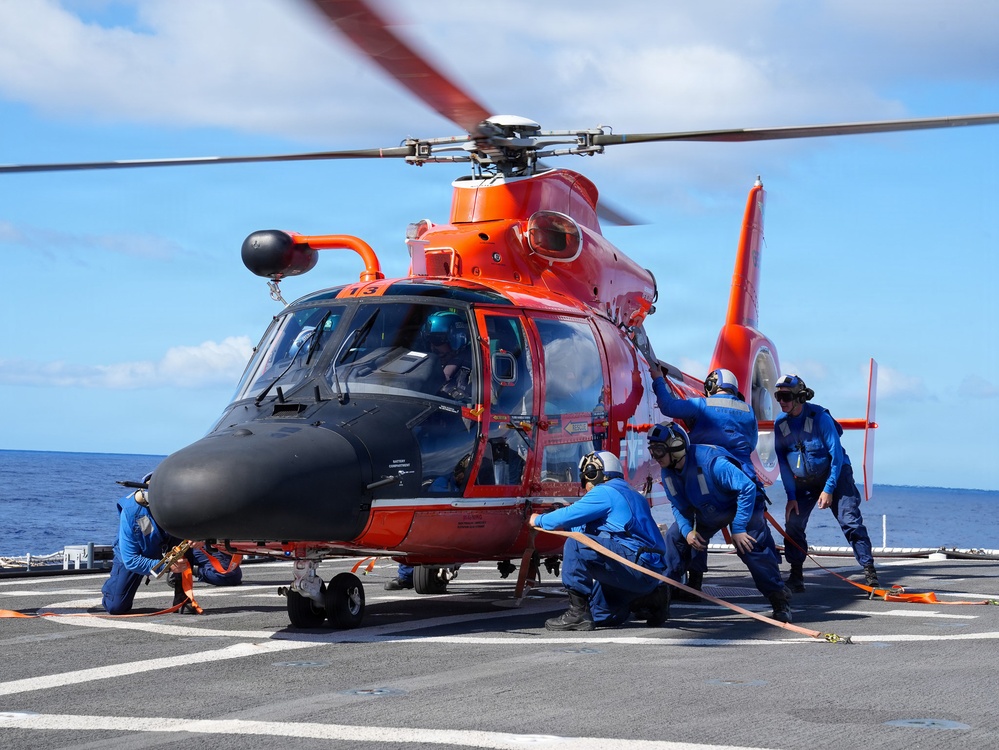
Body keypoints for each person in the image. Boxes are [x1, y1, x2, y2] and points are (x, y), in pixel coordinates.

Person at [649, 422, 792, 623]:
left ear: (676, 446)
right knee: (675, 538)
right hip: (708, 511)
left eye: (659, 450)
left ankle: (779, 600)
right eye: (652, 451)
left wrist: (739, 528)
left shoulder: (713, 464)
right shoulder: (668, 472)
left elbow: (747, 488)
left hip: (741, 507)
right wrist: (688, 530)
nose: (655, 457)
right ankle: (662, 597)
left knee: (751, 548)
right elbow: (678, 506)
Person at [649, 363, 761, 598]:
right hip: (742, 478)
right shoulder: (748, 411)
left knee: (690, 526)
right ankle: (778, 596)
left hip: (708, 473)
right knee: (756, 548)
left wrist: (658, 378)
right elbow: (751, 443)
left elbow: (668, 406)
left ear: (711, 385)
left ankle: (680, 585)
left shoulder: (702, 405)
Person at [529, 451, 670, 631]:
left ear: (593, 473)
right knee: (600, 615)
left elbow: (565, 519)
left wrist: (537, 519)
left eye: (584, 480)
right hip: (646, 573)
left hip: (635, 566)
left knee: (576, 544)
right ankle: (651, 600)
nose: (585, 488)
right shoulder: (630, 492)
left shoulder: (604, 492)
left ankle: (577, 613)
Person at [773, 374, 879, 592]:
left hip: (835, 474)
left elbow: (836, 455)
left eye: (785, 396)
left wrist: (829, 489)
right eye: (778, 396)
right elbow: (783, 463)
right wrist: (791, 497)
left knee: (850, 521)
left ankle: (870, 574)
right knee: (793, 524)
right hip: (803, 481)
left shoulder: (820, 418)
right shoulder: (781, 424)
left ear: (799, 397)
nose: (781, 401)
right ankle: (796, 576)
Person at [101, 482, 242, 615]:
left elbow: (215, 519)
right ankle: (112, 586)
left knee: (230, 574)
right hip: (140, 554)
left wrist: (203, 536)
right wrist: (167, 566)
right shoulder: (132, 512)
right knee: (116, 607)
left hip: (179, 548)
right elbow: (131, 560)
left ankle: (183, 592)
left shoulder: (188, 503)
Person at [385, 454, 472, 591]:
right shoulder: (443, 483)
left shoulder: (467, 483)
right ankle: (406, 577)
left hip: (454, 525)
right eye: (463, 474)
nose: (463, 478)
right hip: (436, 522)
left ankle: (423, 575)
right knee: (416, 542)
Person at [423, 310, 473, 401]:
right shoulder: (424, 365)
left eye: (437, 340)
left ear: (456, 339)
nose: (432, 346)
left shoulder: (474, 370)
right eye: (428, 340)